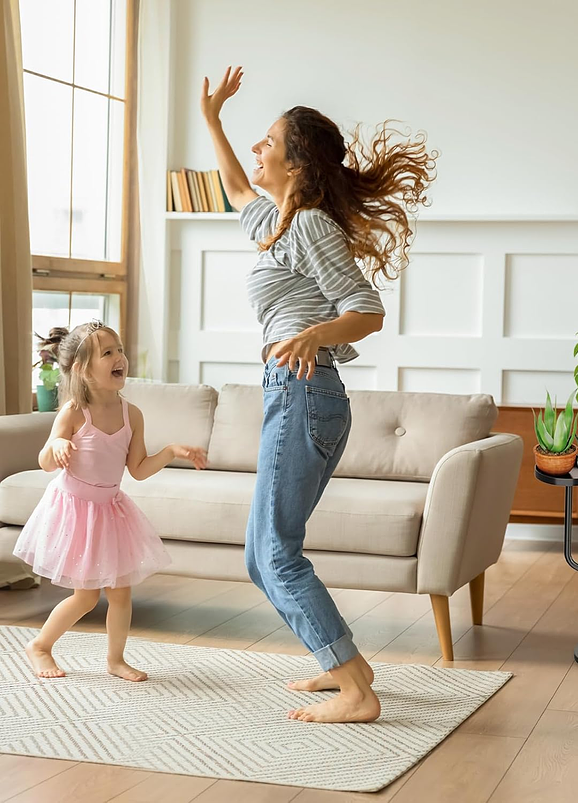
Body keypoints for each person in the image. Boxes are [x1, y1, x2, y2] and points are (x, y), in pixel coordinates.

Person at [201, 66, 437, 723]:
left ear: (297, 163)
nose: (258, 149)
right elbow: (231, 186)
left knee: (275, 552)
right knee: (260, 555)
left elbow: (366, 309)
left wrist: (314, 333)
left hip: (305, 391)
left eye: (268, 140)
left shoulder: (308, 227)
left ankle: (358, 694)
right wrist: (211, 118)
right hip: (294, 392)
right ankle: (350, 668)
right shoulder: (278, 225)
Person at [14, 321, 208, 682]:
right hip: (74, 510)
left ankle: (115, 659)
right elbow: (44, 461)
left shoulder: (131, 414)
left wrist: (169, 452)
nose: (120, 357)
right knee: (86, 597)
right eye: (108, 353)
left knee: (121, 593)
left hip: (110, 510)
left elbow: (137, 469)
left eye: (119, 349)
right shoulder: (74, 411)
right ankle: (39, 645)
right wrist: (56, 446)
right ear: (82, 369)